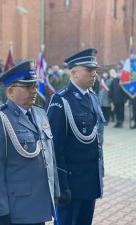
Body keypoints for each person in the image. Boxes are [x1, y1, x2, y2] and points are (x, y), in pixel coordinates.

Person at [0, 60, 60, 225]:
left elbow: (50, 156)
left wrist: (55, 192)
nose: (34, 91)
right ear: (10, 91)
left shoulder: (40, 113)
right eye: (27, 87)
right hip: (15, 210)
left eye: (35, 86)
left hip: (40, 205)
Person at [46, 48, 105, 225]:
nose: (93, 74)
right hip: (70, 183)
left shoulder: (93, 98)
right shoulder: (60, 101)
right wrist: (61, 186)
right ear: (74, 72)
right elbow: (54, 148)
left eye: (95, 70)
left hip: (90, 180)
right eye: (89, 70)